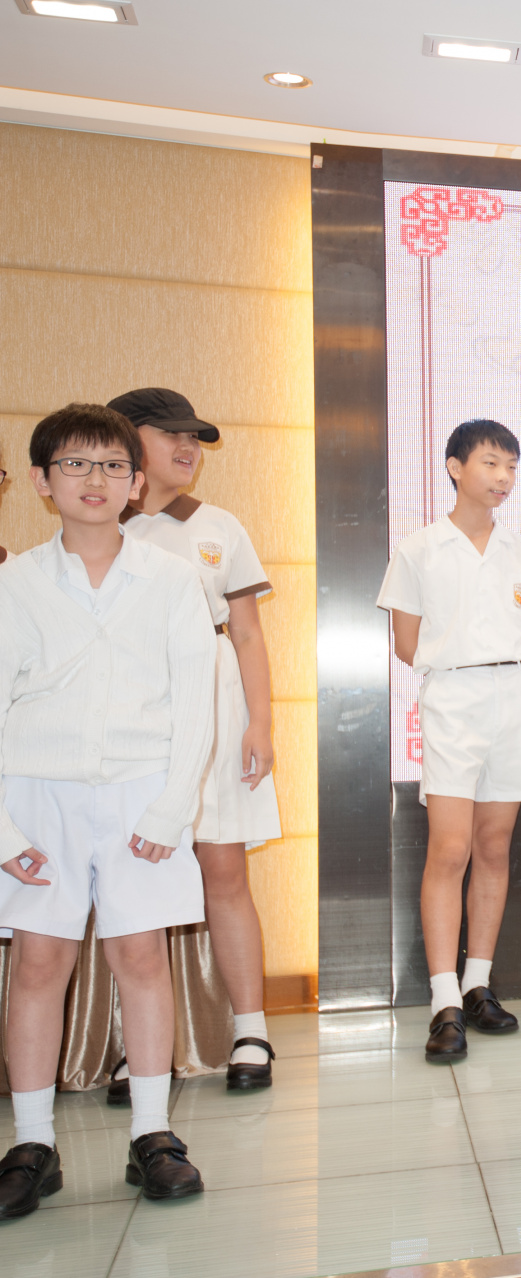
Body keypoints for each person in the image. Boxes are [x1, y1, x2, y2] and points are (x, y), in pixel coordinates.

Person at [0, 404, 217, 1217]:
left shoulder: (173, 579)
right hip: (37, 792)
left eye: (111, 466)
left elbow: (196, 704)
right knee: (37, 964)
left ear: (134, 483)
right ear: (41, 480)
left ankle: (153, 1135)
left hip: (141, 792)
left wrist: (171, 810)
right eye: (75, 464)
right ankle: (32, 1145)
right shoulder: (14, 582)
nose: (94, 479)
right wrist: (2, 831)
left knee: (141, 957)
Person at [108, 387, 283, 1096]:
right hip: (134, 712)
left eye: (196, 438)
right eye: (172, 434)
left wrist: (260, 722)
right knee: (139, 880)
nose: (188, 448)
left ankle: (252, 1031)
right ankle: (140, 1049)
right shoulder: (103, 525)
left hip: (217, 701)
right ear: (126, 440)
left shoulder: (219, 526)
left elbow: (248, 633)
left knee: (225, 869)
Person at [376, 419, 521, 1063]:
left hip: (513, 700)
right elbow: (406, 643)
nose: (503, 478)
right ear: (455, 466)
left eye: (511, 467)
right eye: (491, 463)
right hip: (452, 699)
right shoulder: (419, 548)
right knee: (450, 849)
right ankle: (443, 1000)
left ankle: (478, 985)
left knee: (494, 845)